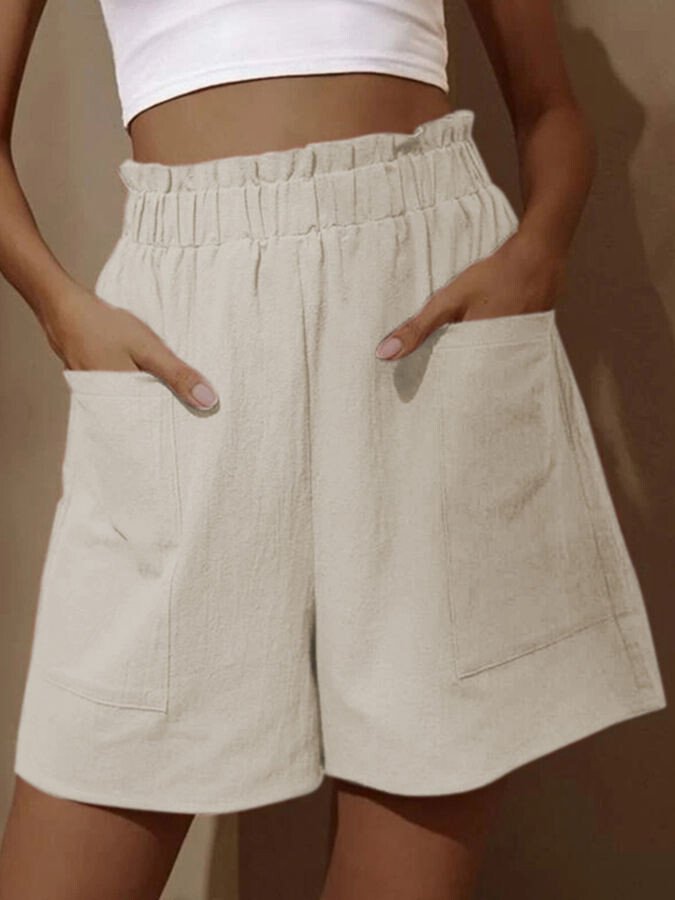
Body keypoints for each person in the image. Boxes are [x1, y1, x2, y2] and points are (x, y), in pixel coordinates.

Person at [0, 1, 666, 898]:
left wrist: (535, 254)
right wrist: (61, 310)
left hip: (420, 312)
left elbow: (551, 109)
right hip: (186, 338)